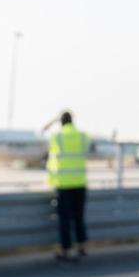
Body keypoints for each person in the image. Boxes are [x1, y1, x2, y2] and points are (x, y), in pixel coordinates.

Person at [47, 110, 89, 262]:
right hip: (80, 182)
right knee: (79, 217)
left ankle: (66, 250)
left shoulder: (57, 136)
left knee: (64, 219)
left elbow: (41, 135)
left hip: (63, 184)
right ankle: (82, 247)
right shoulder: (82, 136)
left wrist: (52, 121)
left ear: (61, 122)